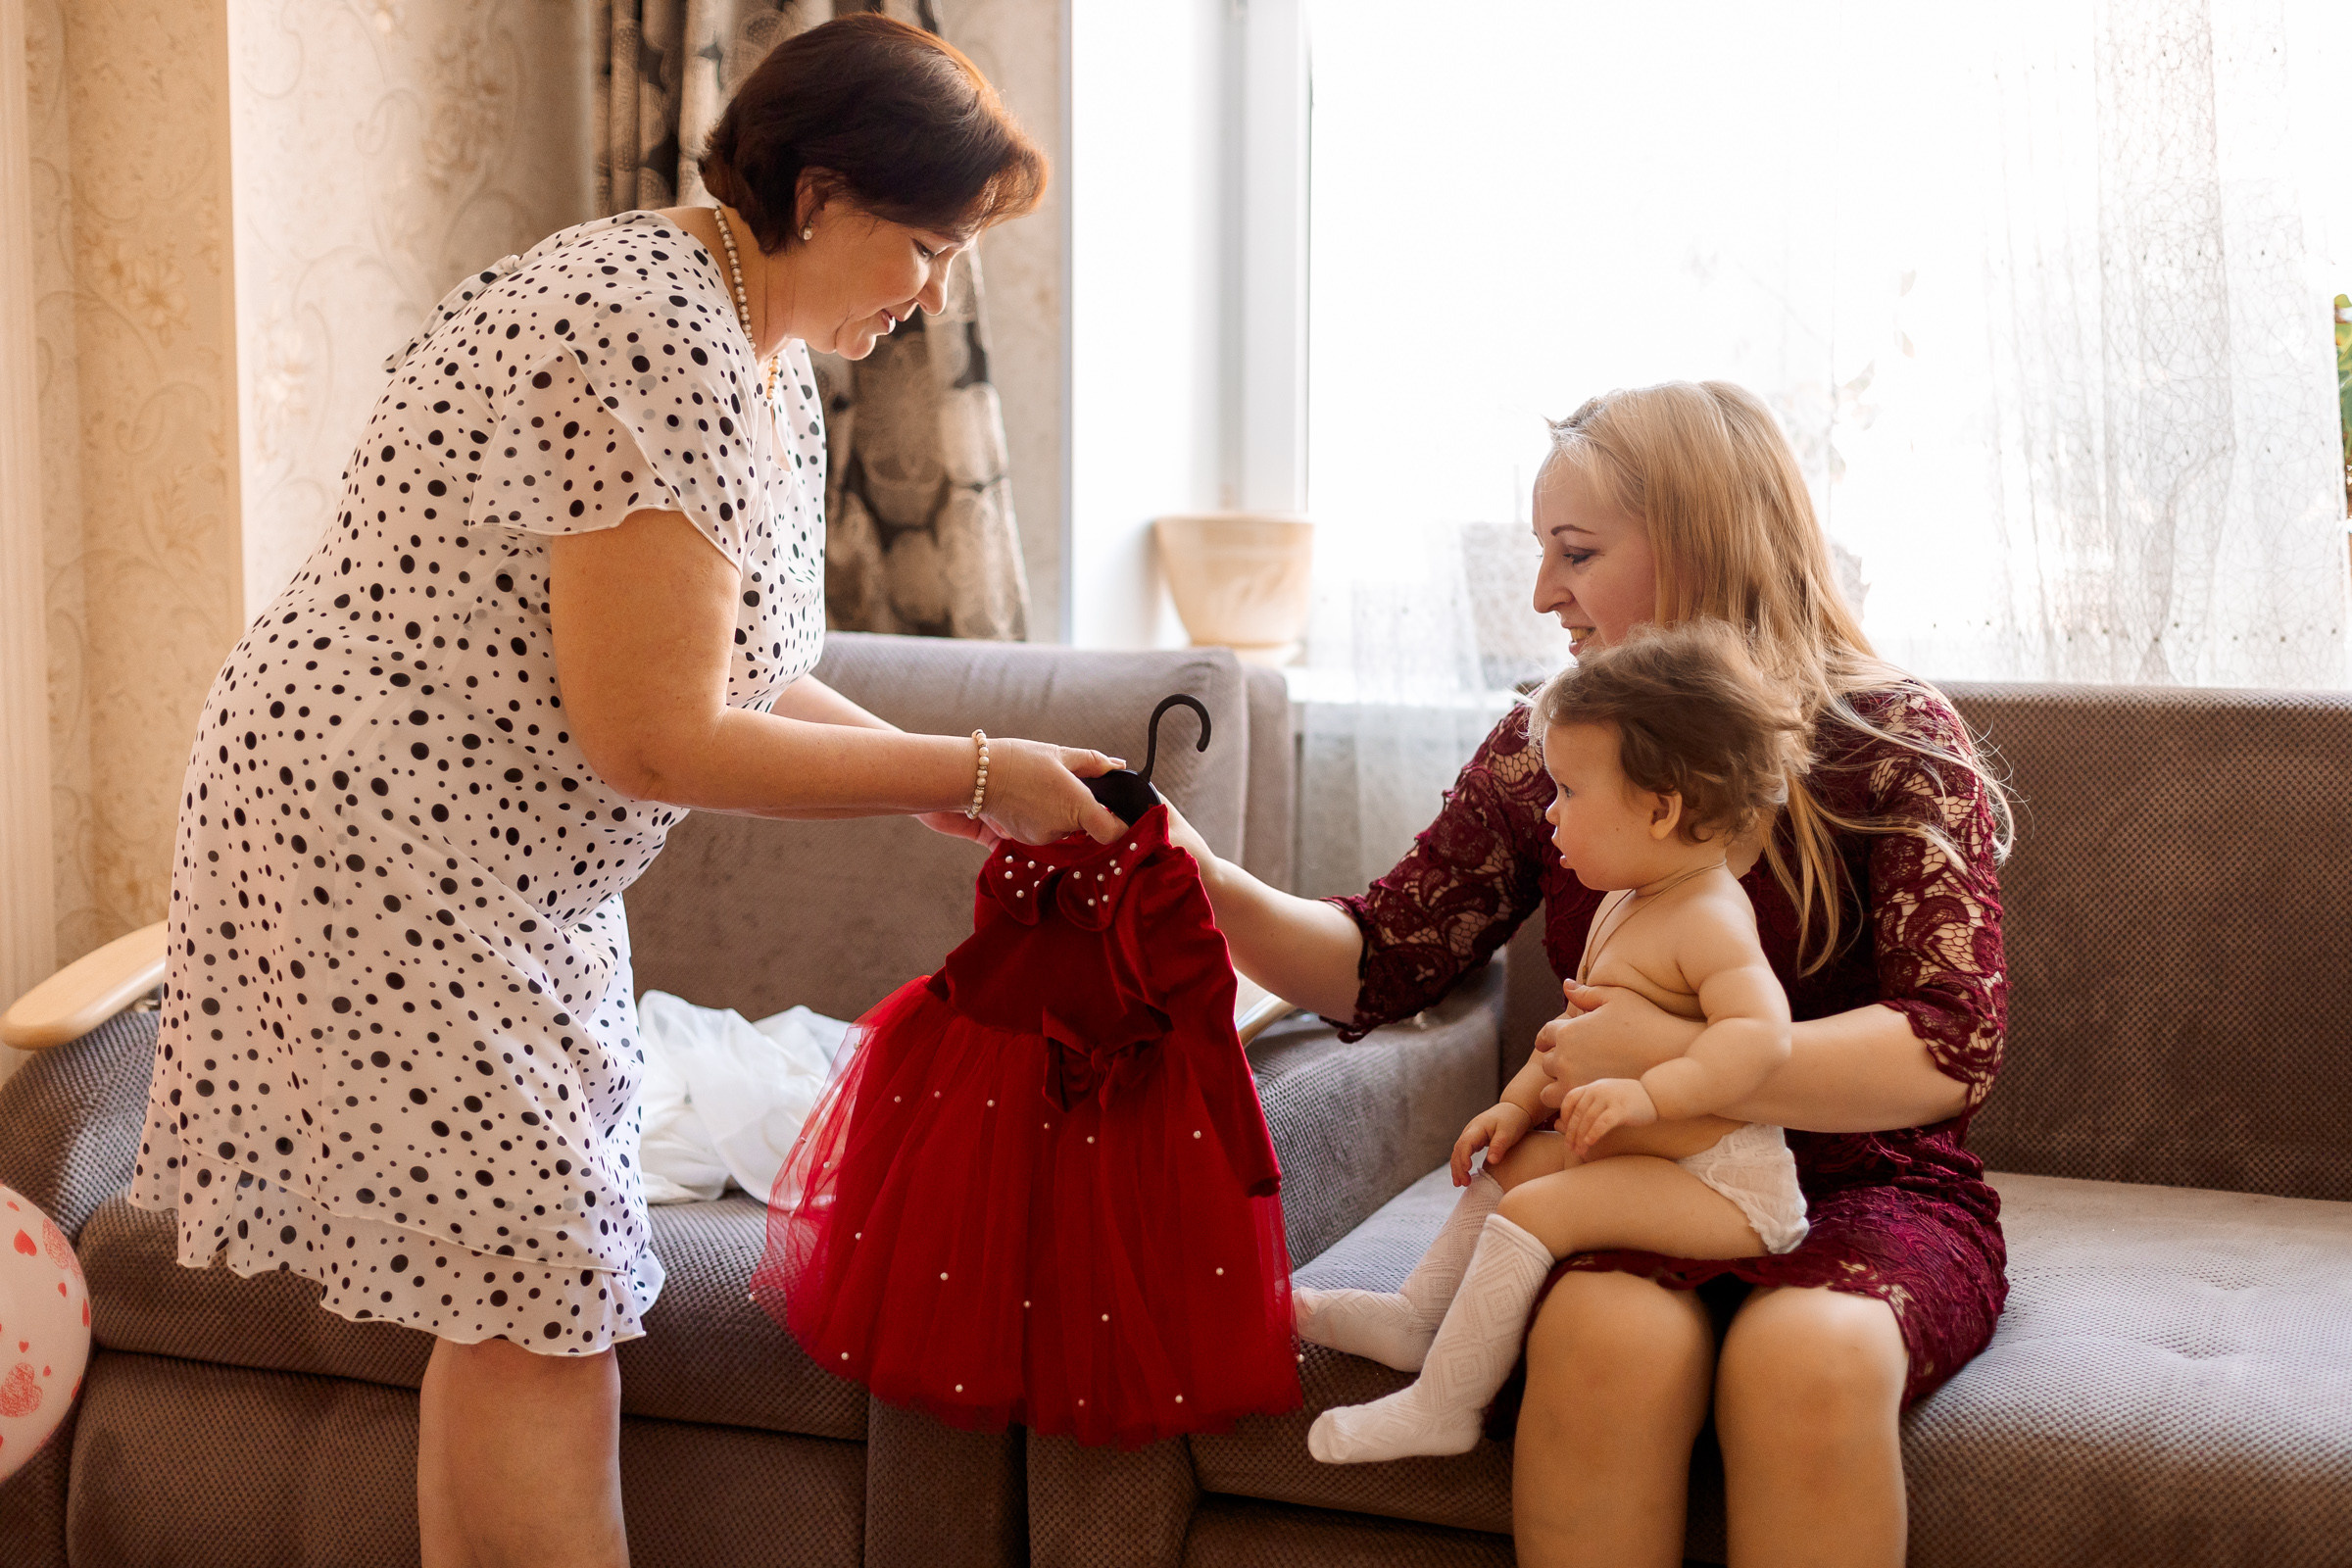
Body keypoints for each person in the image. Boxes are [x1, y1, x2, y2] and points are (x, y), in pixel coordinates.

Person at [125, 18, 1118, 1567]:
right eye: (926, 248)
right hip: (387, 833)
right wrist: (979, 765)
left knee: (531, 1289)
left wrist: (935, 787)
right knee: (547, 1289)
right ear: (822, 194)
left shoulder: (752, 336)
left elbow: (722, 659)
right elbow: (655, 740)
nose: (934, 298)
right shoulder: (648, 326)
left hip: (506, 852)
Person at [1165, 379, 2008, 1567]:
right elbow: (1381, 960)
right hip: (1629, 1166)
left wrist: (1668, 1061)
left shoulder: (1892, 744)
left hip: (1864, 1185)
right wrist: (1191, 868)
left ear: (1701, 542)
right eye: (1542, 552)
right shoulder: (1547, 745)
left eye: (1577, 551)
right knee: (1601, 1341)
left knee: (1806, 1361)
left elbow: (1948, 1045)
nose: (1541, 592)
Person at [1301, 620, 1812, 1464]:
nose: (1548, 810)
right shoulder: (1629, 899)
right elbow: (1576, 1032)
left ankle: (1444, 1404)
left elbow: (1762, 1040)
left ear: (1661, 808)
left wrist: (1651, 1094)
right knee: (1516, 1166)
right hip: (1657, 1163)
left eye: (1569, 790)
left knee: (1539, 1208)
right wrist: (1512, 1107)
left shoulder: (1710, 917)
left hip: (1727, 1192)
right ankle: (1414, 1319)